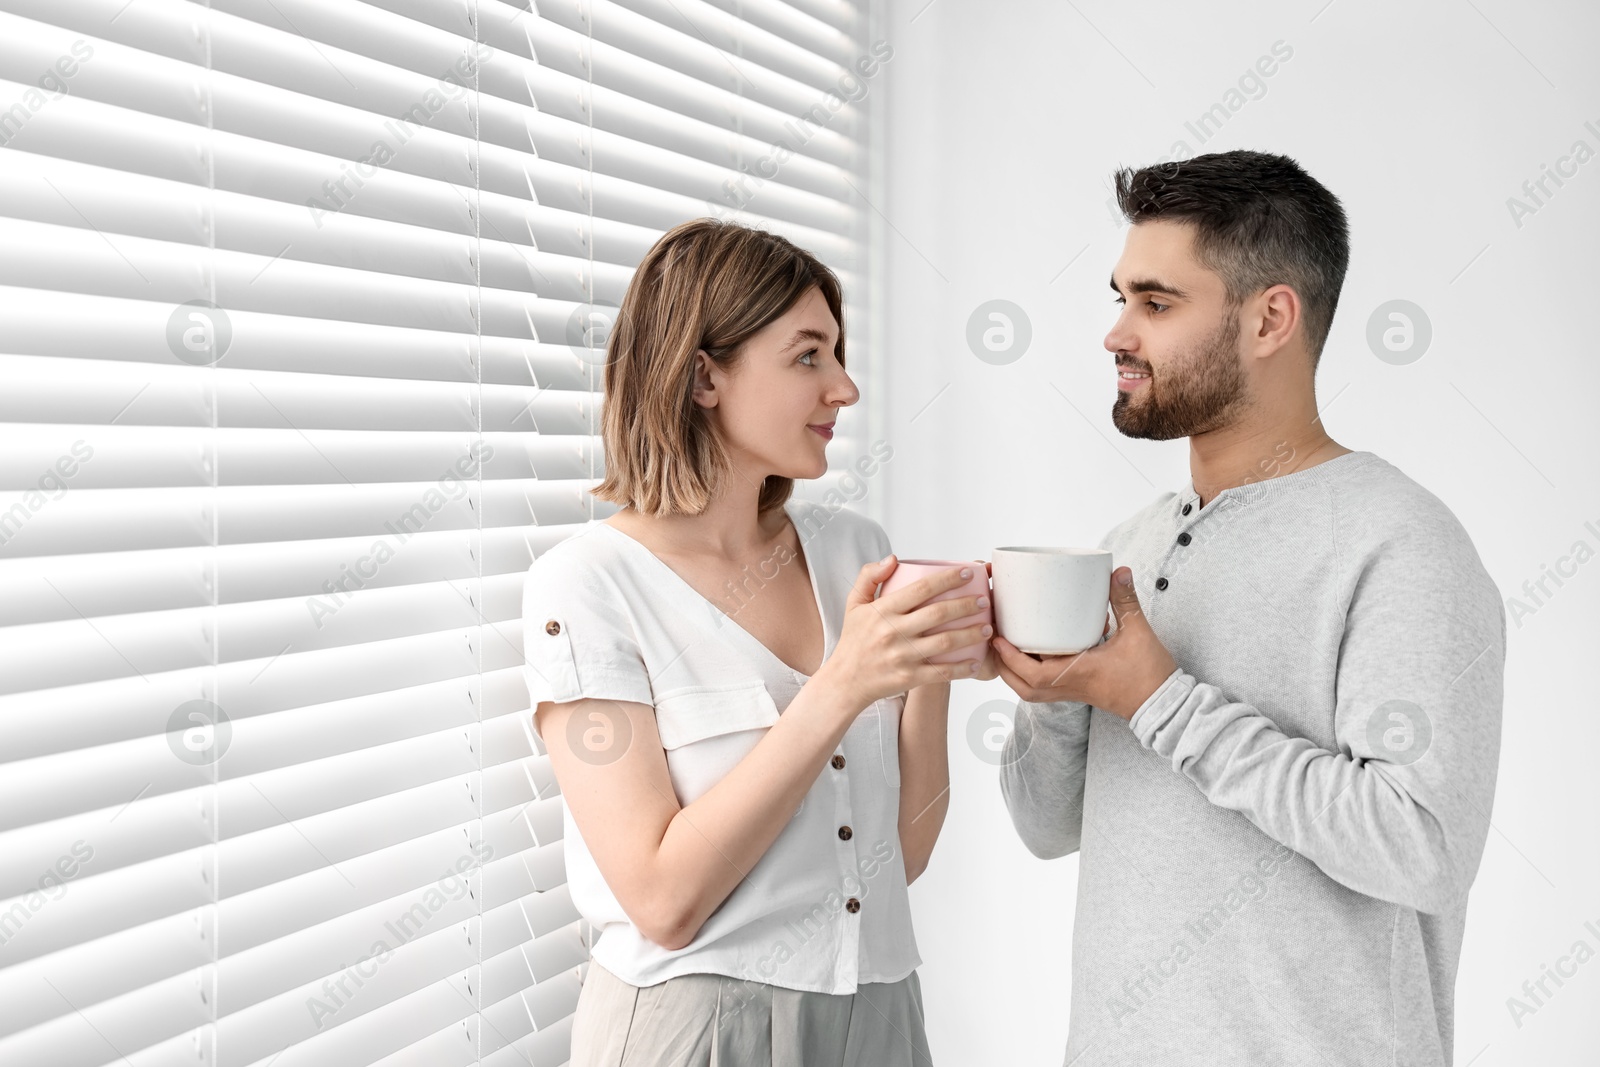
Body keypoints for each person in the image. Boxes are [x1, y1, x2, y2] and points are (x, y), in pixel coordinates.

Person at [991, 150, 1505, 1065]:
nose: (1116, 333)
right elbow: (1046, 827)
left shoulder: (1403, 544)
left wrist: (1161, 700)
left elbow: (1421, 845)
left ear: (1271, 318)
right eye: (1120, 299)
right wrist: (1058, 693)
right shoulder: (1131, 544)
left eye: (1155, 303)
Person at [522, 219, 987, 1066]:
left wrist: (935, 661)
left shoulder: (856, 550)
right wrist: (843, 684)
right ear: (704, 375)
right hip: (700, 1026)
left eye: (838, 355)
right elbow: (663, 899)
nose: (843, 388)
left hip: (880, 1012)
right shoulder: (588, 585)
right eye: (809, 356)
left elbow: (901, 856)